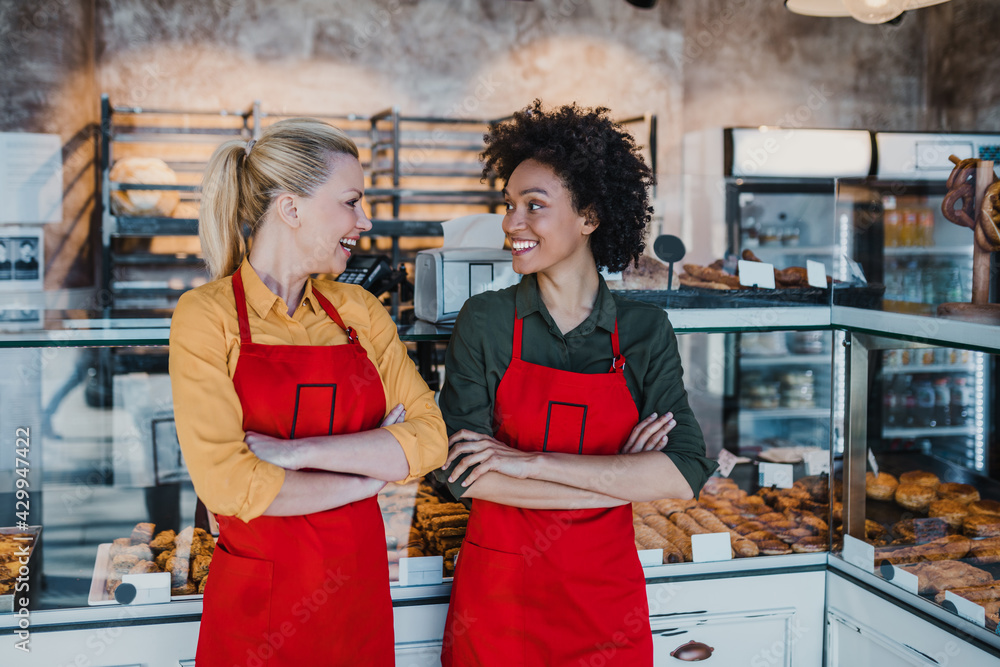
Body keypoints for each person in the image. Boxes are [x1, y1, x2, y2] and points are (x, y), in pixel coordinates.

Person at [437, 101, 717, 666]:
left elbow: (685, 472)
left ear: (589, 217)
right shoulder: (486, 320)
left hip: (604, 608)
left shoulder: (643, 330)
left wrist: (523, 462)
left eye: (533, 206)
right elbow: (461, 473)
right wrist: (623, 476)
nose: (512, 222)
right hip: (498, 606)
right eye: (509, 205)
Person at [169, 118, 447, 665]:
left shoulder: (359, 312)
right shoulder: (207, 316)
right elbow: (229, 486)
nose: (364, 221)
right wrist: (371, 475)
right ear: (291, 208)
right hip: (258, 611)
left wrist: (299, 454)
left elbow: (430, 440)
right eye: (350, 201)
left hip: (360, 597)